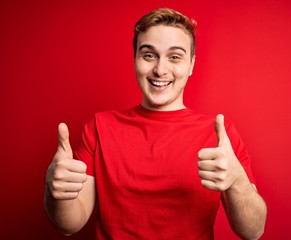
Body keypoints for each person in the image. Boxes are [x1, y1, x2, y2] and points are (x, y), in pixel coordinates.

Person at [44, 8, 267, 240]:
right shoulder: (100, 126)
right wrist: (55, 191)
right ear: (135, 60)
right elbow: (70, 224)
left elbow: (253, 231)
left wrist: (237, 180)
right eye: (149, 55)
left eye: (175, 57)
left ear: (191, 64)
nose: (160, 70)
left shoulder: (220, 135)